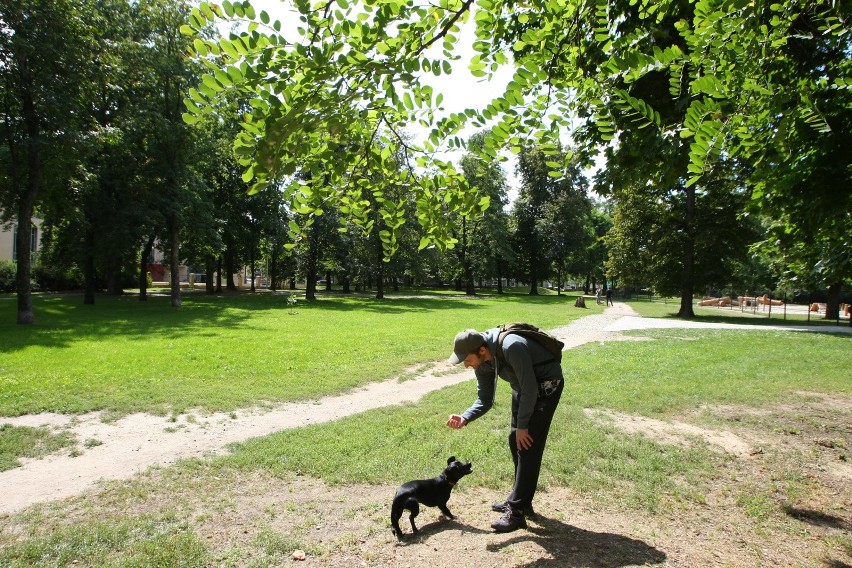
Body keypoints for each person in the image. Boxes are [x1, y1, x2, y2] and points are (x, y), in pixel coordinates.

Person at [446, 327, 564, 532]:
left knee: (527, 445)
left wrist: (523, 425)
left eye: (466, 359)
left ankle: (517, 511)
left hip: (546, 387)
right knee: (514, 439)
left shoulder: (512, 346)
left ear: (481, 350)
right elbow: (485, 398)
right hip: (524, 388)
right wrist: (465, 416)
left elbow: (531, 389)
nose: (465, 364)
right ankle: (521, 501)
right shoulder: (483, 360)